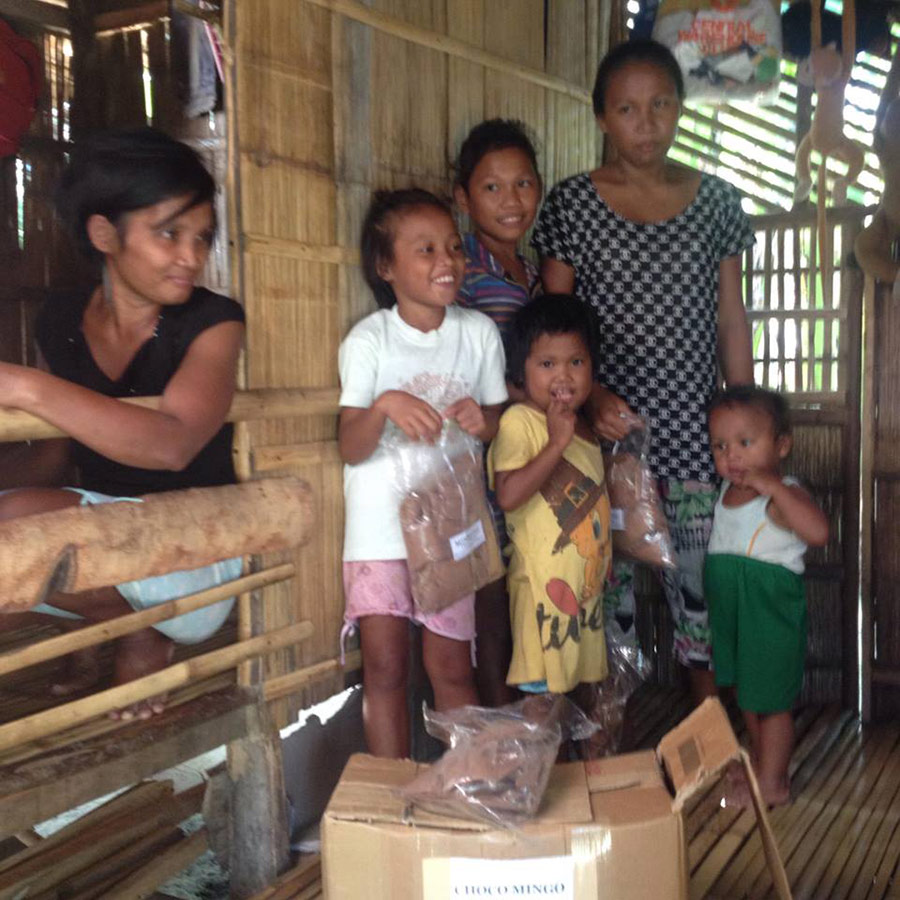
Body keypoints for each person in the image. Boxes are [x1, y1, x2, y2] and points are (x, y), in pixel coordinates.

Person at [532, 38, 756, 705]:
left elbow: (730, 319)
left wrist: (743, 416)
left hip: (692, 432)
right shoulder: (571, 206)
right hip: (600, 437)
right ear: (602, 118)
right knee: (606, 599)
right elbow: (553, 323)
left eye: (661, 105)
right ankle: (611, 751)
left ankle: (713, 748)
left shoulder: (717, 203)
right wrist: (590, 395)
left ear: (681, 108)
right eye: (628, 110)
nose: (647, 123)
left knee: (698, 597)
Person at [0, 128, 245, 719]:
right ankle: (121, 625)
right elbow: (53, 460)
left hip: (194, 554)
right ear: (104, 233)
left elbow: (175, 444)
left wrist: (26, 386)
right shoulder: (60, 320)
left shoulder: (213, 322)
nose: (191, 256)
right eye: (169, 234)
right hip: (102, 537)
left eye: (201, 237)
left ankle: (139, 628)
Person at [338, 188, 508, 758]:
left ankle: (470, 784)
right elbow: (350, 446)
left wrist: (481, 419)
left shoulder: (477, 334)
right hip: (379, 532)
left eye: (454, 248)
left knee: (451, 666)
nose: (448, 262)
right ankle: (389, 796)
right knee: (385, 669)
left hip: (449, 529)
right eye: (426, 250)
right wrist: (384, 405)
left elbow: (499, 420)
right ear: (386, 267)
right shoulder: (369, 341)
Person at [453, 118, 543, 706]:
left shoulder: (532, 271)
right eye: (492, 188)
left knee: (527, 583)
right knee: (490, 593)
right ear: (462, 198)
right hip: (483, 448)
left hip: (529, 447)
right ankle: (499, 727)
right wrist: (524, 400)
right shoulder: (462, 269)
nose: (511, 201)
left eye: (523, 184)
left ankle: (528, 725)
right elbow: (454, 360)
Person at [704, 386, 828, 806]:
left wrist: (775, 488)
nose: (731, 456)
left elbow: (819, 533)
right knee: (744, 692)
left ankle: (774, 781)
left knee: (772, 699)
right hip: (733, 611)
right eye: (720, 445)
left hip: (768, 613)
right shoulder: (724, 493)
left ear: (782, 445)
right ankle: (761, 766)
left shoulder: (783, 495)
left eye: (745, 443)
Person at [489, 294, 611, 698]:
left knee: (576, 689)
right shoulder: (520, 422)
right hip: (541, 593)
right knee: (540, 701)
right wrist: (555, 444)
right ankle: (543, 763)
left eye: (576, 362)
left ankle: (571, 762)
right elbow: (508, 494)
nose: (563, 376)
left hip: (583, 592)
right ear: (521, 373)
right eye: (547, 364)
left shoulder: (586, 430)